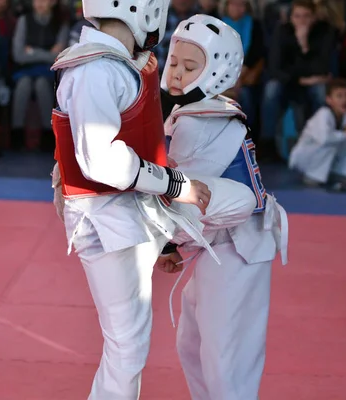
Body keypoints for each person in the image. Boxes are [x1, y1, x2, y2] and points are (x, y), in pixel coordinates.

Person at [49, 1, 256, 398]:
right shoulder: (98, 69)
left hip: (129, 212)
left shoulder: (117, 62)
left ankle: (175, 240)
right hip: (110, 217)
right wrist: (179, 186)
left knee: (130, 343)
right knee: (127, 346)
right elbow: (103, 162)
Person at [157, 15, 288, 400]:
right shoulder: (191, 113)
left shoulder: (209, 120)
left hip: (239, 246)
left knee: (225, 357)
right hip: (215, 243)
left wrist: (165, 241)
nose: (178, 73)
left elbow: (184, 195)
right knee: (192, 344)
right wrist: (170, 243)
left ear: (218, 71)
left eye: (190, 66)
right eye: (175, 63)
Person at [289, 78, 346, 190]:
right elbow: (324, 139)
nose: (344, 100)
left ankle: (339, 174)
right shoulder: (324, 114)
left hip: (320, 155)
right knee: (334, 141)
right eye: (339, 96)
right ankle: (312, 176)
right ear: (329, 100)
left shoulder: (344, 115)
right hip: (304, 158)